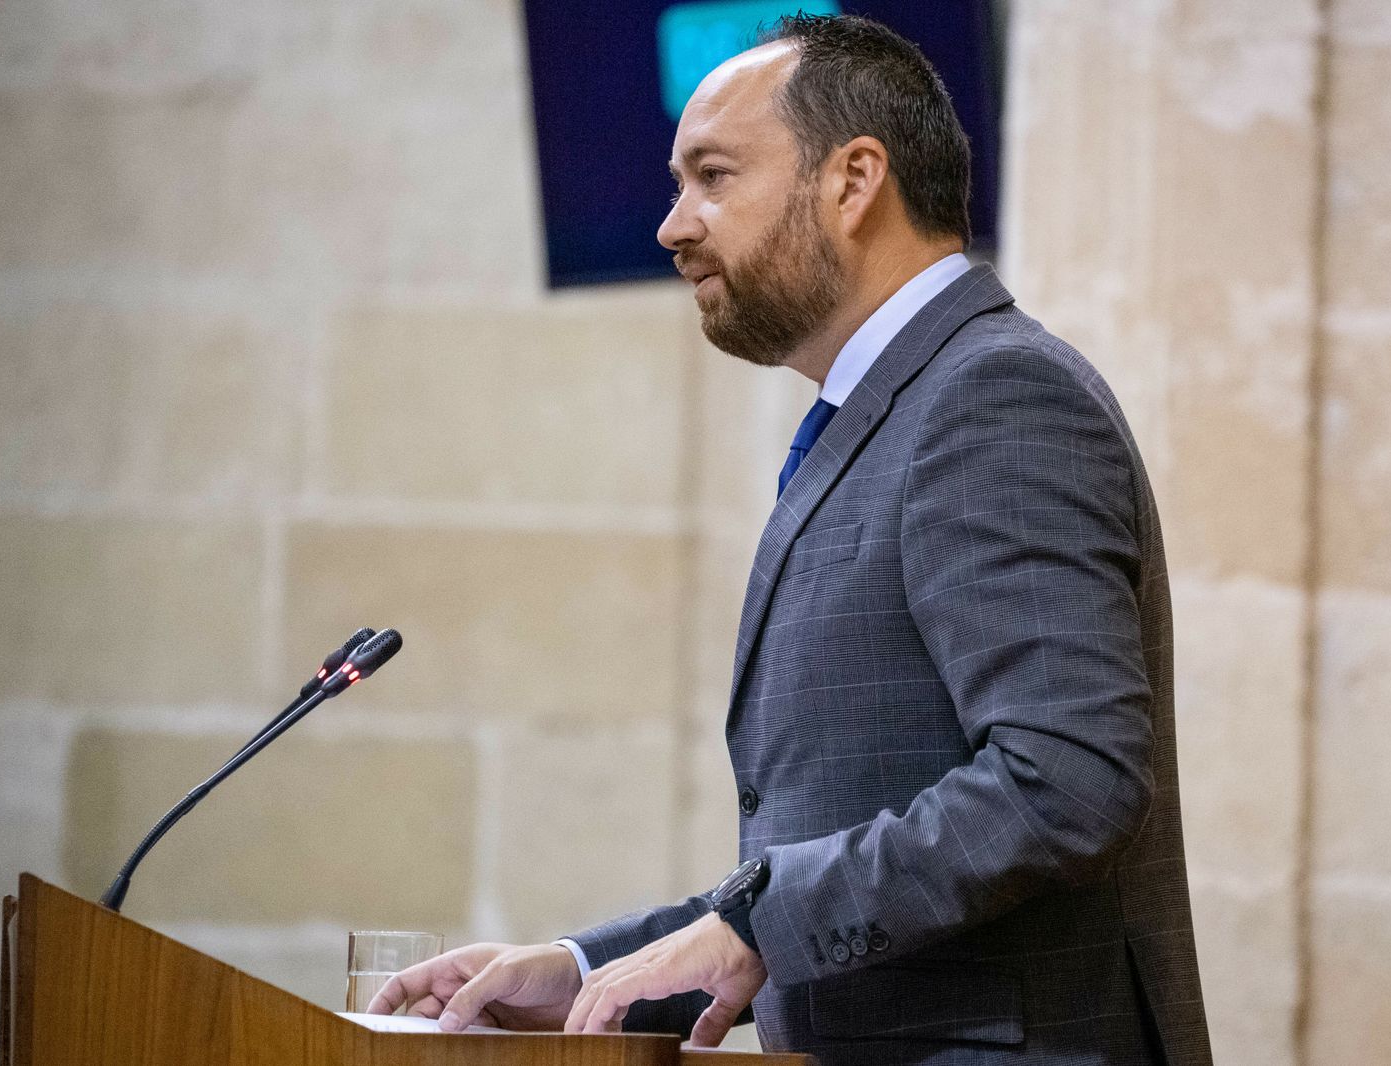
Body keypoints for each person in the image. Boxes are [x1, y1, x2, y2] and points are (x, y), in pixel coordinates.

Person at [369, 14, 1212, 1065]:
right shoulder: (888, 414)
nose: (674, 226)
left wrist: (758, 926)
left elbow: (1068, 778)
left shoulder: (992, 395)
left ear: (854, 180)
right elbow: (828, 837)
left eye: (712, 177)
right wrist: (593, 971)